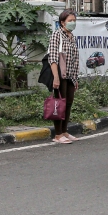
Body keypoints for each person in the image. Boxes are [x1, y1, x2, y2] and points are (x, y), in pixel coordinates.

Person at [48, 9, 80, 144]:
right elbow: (53, 58)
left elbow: (74, 59)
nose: (72, 23)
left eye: (74, 21)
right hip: (60, 75)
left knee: (68, 103)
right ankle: (58, 134)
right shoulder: (57, 35)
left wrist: (75, 78)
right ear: (62, 22)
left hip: (70, 76)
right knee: (59, 104)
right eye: (70, 21)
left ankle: (65, 131)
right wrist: (56, 77)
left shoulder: (72, 37)